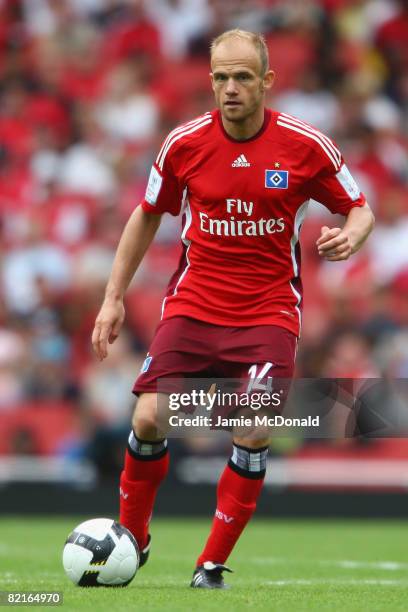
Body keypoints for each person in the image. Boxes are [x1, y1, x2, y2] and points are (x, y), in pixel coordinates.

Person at [92, 29, 375, 589]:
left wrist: (352, 235)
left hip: (269, 313)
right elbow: (147, 213)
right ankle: (131, 540)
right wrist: (113, 296)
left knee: (253, 427)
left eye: (243, 76)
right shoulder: (184, 144)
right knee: (148, 418)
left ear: (267, 81)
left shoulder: (304, 145)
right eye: (220, 76)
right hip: (194, 306)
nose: (230, 88)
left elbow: (360, 207)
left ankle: (210, 565)